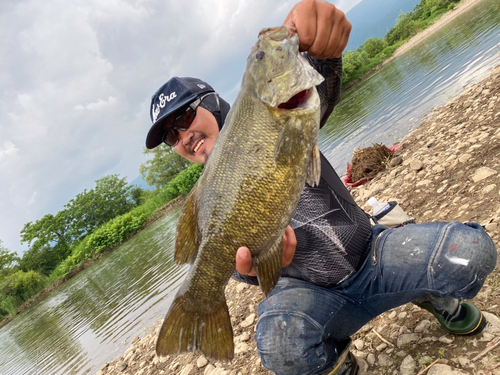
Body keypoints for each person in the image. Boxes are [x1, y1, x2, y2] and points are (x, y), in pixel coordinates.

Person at [145, 1, 497, 374]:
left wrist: (320, 51)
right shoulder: (203, 208)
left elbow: (315, 88)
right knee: (278, 346)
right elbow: (239, 269)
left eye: (185, 116)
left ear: (215, 103)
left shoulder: (280, 118)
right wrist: (259, 268)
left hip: (373, 258)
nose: (183, 135)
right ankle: (335, 362)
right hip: (318, 297)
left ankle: (428, 291)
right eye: (171, 135)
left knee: (472, 252)